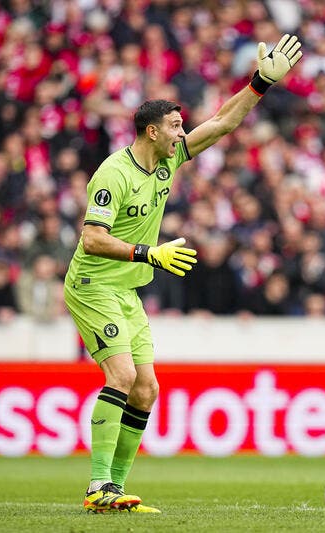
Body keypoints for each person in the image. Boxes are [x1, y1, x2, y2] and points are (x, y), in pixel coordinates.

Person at [63, 35, 303, 514]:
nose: (182, 131)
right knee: (123, 375)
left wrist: (259, 84)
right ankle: (96, 486)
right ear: (151, 131)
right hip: (93, 283)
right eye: (174, 126)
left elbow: (221, 123)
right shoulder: (115, 173)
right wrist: (149, 253)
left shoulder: (169, 158)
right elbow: (91, 239)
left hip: (126, 289)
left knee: (147, 389)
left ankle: (114, 489)